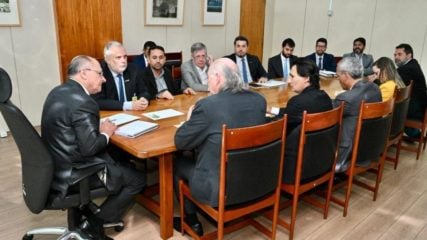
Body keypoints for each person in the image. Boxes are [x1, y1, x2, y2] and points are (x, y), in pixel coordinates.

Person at [41, 55, 145, 239]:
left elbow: (69, 124)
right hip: (74, 174)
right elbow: (89, 149)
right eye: (99, 74)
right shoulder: (84, 102)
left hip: (54, 166)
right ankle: (94, 224)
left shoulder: (59, 91)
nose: (104, 79)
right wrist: (105, 133)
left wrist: (90, 128)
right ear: (83, 73)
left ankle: (84, 212)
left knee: (119, 161)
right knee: (137, 179)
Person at [173, 58, 267, 235]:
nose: (207, 82)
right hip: (256, 180)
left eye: (208, 78)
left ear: (217, 78)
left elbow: (181, 141)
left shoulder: (208, 106)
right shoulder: (259, 100)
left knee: (178, 163)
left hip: (221, 188)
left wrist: (190, 118)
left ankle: (191, 220)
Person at [270, 58, 332, 183]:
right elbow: (291, 114)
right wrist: (274, 110)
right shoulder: (324, 98)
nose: (288, 80)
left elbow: (279, 123)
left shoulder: (297, 102)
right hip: (320, 161)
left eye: (292, 76)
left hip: (295, 167)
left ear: (306, 78)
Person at [333, 57, 382, 173]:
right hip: (371, 148)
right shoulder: (375, 89)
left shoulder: (346, 98)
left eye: (338, 76)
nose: (338, 79)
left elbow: (327, 113)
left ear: (345, 75)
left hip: (348, 155)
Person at [92, 41, 151, 110]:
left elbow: (144, 91)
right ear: (107, 60)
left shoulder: (133, 69)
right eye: (118, 57)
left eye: (125, 57)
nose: (123, 61)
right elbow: (98, 101)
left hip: (135, 113)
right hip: (110, 116)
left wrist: (144, 99)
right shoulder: (99, 73)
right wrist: (128, 105)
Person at [394, 43, 427, 137]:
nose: (396, 57)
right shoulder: (413, 64)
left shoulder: (407, 68)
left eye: (399, 54)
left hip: (415, 110)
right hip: (419, 107)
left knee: (387, 110)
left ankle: (386, 139)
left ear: (409, 55)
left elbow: (392, 83)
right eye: (395, 55)